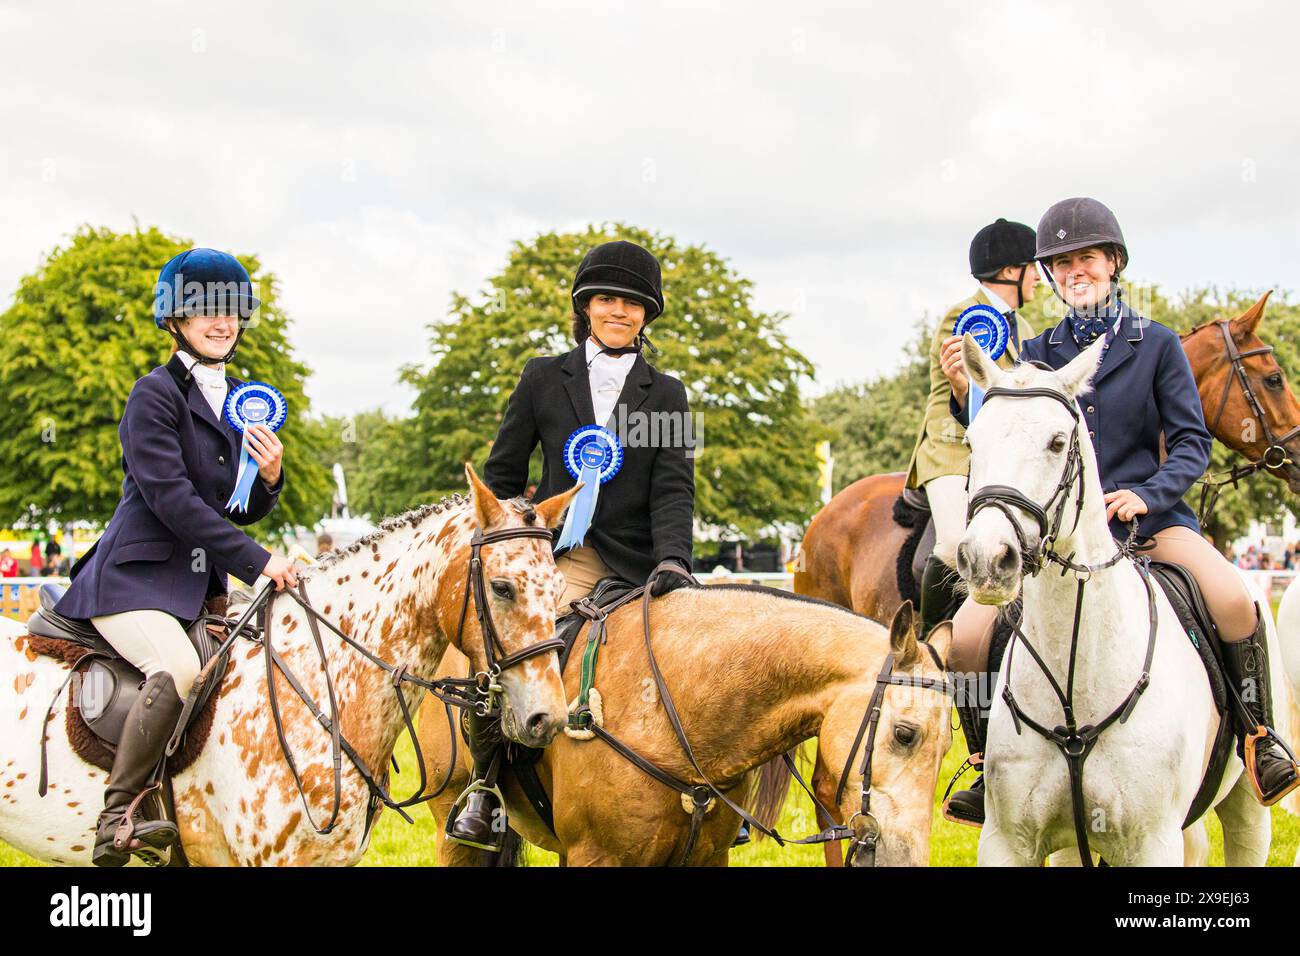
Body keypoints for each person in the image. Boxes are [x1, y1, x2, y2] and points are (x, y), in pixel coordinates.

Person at [938, 197, 1299, 824]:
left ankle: (1259, 737)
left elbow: (1192, 443)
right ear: (1049, 276)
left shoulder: (1157, 345)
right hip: (1057, 542)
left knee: (1237, 602)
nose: (1076, 270)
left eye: (1087, 258)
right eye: (1062, 262)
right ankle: (980, 763)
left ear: (1113, 263)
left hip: (1150, 527)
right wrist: (969, 395)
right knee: (968, 636)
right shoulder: (1033, 352)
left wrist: (1150, 494)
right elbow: (1001, 433)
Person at [446, 239, 697, 851]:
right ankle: (485, 787)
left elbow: (673, 490)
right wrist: (502, 544)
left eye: (633, 304)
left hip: (644, 557)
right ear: (585, 307)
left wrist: (674, 560)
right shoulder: (542, 377)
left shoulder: (667, 395)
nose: (619, 311)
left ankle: (710, 797)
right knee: (520, 648)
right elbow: (503, 474)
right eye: (607, 299)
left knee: (699, 661)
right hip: (563, 555)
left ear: (647, 315)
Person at [54, 248, 298, 866]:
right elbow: (174, 503)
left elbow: (228, 510)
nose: (223, 324)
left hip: (199, 586)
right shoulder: (152, 396)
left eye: (233, 313)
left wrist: (266, 480)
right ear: (177, 320)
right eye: (208, 312)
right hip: (134, 582)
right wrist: (260, 561)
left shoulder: (241, 398)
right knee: (178, 670)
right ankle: (118, 817)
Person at [905, 219, 1040, 648]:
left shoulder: (1029, 333)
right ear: (1010, 271)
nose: (1040, 276)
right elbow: (967, 389)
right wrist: (965, 388)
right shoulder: (963, 316)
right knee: (951, 545)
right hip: (952, 449)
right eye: (1033, 267)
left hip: (1002, 455)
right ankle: (929, 648)